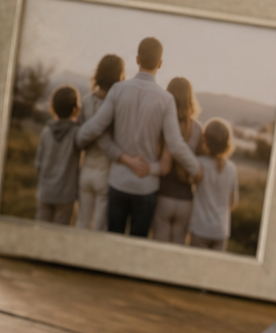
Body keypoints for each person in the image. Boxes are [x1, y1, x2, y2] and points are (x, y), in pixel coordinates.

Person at [75, 36, 201, 237]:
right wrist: (196, 169)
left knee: (112, 239)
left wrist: (78, 139)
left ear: (137, 59)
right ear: (160, 64)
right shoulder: (166, 100)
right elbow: (175, 144)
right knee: (137, 247)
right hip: (147, 186)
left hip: (117, 182)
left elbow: (98, 127)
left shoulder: (117, 89)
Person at [77, 55, 125, 232]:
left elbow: (79, 134)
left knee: (81, 223)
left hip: (86, 170)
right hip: (106, 173)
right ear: (119, 76)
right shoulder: (116, 104)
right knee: (99, 228)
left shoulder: (87, 100)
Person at [151, 76, 203, 244]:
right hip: (186, 200)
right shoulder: (197, 129)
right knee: (177, 252)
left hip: (162, 196)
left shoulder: (160, 124)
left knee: (158, 248)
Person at [34, 85, 82, 225]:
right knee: (59, 236)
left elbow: (38, 163)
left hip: (45, 192)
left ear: (52, 108)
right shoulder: (76, 133)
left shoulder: (46, 132)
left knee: (41, 233)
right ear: (75, 109)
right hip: (65, 196)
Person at [188, 118, 238, 251]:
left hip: (200, 228)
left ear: (205, 140)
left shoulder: (199, 163)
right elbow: (233, 203)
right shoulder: (232, 168)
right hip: (221, 231)